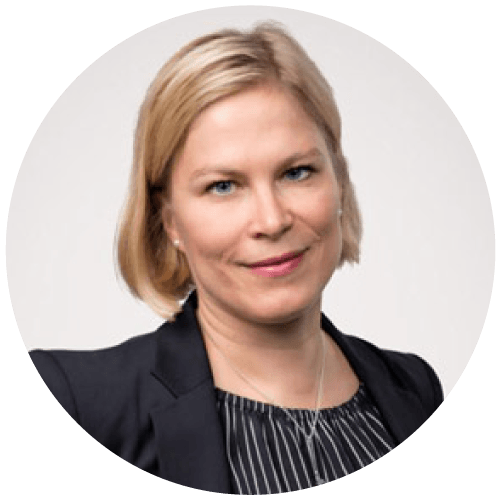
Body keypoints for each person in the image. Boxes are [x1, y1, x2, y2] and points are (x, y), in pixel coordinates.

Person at [29, 23, 443, 495]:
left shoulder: (415, 389)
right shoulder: (69, 404)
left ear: (340, 183)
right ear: (168, 219)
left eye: (296, 172)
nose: (271, 220)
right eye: (223, 186)